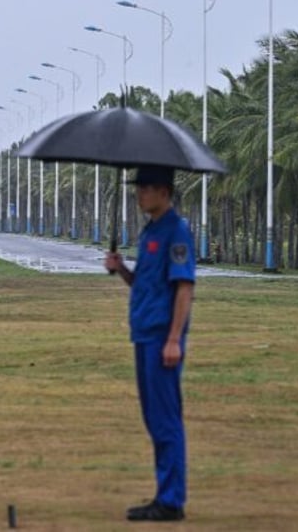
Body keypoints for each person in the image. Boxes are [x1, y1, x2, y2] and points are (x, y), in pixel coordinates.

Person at [104, 165, 195, 522]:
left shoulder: (177, 232)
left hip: (161, 338)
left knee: (165, 418)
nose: (138, 195)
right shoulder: (150, 231)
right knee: (153, 418)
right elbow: (144, 284)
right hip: (143, 333)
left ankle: (171, 499)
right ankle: (163, 492)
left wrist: (174, 339)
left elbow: (184, 288)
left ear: (162, 191)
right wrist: (121, 269)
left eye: (143, 188)